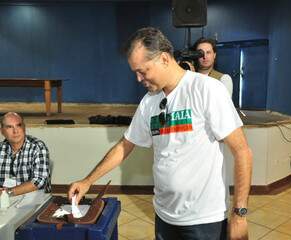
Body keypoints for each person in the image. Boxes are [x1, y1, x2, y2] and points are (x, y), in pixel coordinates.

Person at [68, 27, 252, 240]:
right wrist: (88, 181)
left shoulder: (208, 90)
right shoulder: (149, 101)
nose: (138, 79)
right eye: (135, 72)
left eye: (142, 71)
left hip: (204, 219)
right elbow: (124, 145)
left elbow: (242, 152)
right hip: (165, 216)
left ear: (164, 59)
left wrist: (239, 214)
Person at [0, 112, 51, 197]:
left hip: (33, 201)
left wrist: (8, 193)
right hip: (4, 201)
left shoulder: (38, 147)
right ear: (2, 131)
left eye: (19, 125)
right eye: (9, 127)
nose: (15, 131)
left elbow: (38, 181)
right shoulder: (1, 148)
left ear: (24, 127)